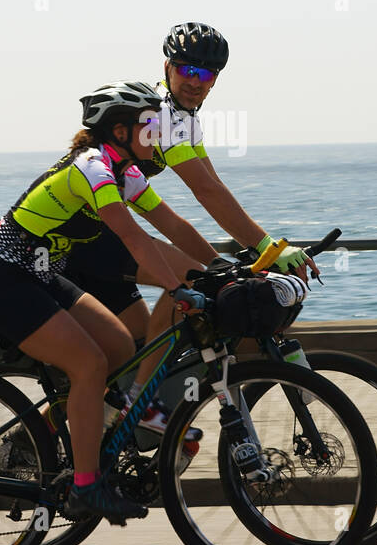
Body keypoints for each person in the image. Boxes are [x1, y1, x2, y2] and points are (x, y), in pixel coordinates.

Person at [0, 82, 215, 523]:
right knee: (89, 364)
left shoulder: (126, 170)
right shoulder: (92, 167)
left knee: (118, 348)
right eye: (150, 127)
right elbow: (134, 237)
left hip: (37, 275)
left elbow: (170, 222)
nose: (160, 136)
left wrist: (220, 268)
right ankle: (85, 486)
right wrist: (177, 289)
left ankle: (83, 442)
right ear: (119, 132)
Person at [60, 23, 316, 432]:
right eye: (187, 71)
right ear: (168, 67)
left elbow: (214, 188)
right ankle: (141, 405)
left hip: (110, 236)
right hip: (84, 237)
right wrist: (271, 245)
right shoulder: (159, 116)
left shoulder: (186, 121)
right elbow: (206, 192)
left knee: (135, 348)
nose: (196, 82)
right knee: (189, 278)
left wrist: (243, 257)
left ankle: (51, 433)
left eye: (207, 75)